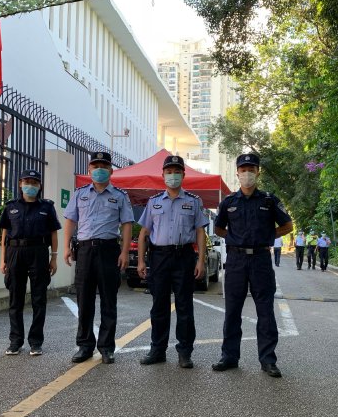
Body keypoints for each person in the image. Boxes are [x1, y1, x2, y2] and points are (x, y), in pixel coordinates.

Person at [212, 154, 293, 377]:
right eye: (243, 169)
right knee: (232, 311)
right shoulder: (228, 202)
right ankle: (229, 357)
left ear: (258, 172)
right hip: (236, 261)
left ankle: (268, 360)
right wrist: (234, 238)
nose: (247, 173)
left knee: (265, 311)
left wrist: (267, 235)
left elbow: (288, 225)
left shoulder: (269, 200)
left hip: (260, 260)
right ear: (237, 173)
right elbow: (218, 228)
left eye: (251, 169)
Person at [136, 155, 208, 368]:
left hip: (184, 256)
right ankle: (157, 350)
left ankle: (185, 352)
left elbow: (200, 232)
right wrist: (141, 261)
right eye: (169, 172)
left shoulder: (193, 201)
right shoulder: (154, 202)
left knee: (185, 306)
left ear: (183, 175)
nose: (173, 176)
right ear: (163, 175)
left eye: (177, 172)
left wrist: (201, 261)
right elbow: (144, 233)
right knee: (159, 305)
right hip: (159, 257)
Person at [63, 151, 133, 364]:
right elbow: (70, 220)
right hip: (85, 251)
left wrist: (124, 252)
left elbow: (127, 224)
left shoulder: (120, 196)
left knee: (108, 301)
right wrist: (66, 247)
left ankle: (106, 347)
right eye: (96, 166)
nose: (99, 170)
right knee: (84, 301)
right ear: (89, 170)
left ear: (111, 170)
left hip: (109, 250)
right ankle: (84, 346)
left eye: (103, 166)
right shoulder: (80, 193)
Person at [0, 169, 61, 356]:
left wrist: (54, 257)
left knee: (39, 299)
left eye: (34, 183)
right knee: (15, 299)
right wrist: (3, 260)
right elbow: (4, 235)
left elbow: (53, 233)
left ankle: (36, 342)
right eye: (27, 182)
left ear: (39, 186)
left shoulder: (47, 207)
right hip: (15, 253)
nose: (30, 186)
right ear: (20, 184)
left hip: (38, 252)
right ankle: (15, 341)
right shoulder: (11, 207)